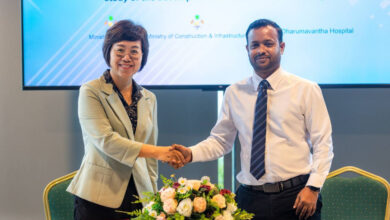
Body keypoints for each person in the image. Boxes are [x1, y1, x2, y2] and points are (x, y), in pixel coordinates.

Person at [172, 19, 333, 220]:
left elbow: (323, 143)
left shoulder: (306, 90)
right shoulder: (234, 92)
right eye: (255, 45)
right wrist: (190, 153)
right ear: (247, 49)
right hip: (250, 198)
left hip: (297, 196)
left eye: (268, 43)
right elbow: (221, 141)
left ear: (281, 47)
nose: (261, 50)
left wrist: (314, 187)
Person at [67, 20, 184, 220]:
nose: (127, 57)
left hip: (139, 195)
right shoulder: (91, 91)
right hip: (98, 197)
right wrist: (160, 153)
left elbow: (149, 157)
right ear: (109, 53)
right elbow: (106, 141)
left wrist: (153, 195)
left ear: (143, 56)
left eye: (134, 51)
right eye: (120, 50)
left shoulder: (149, 98)